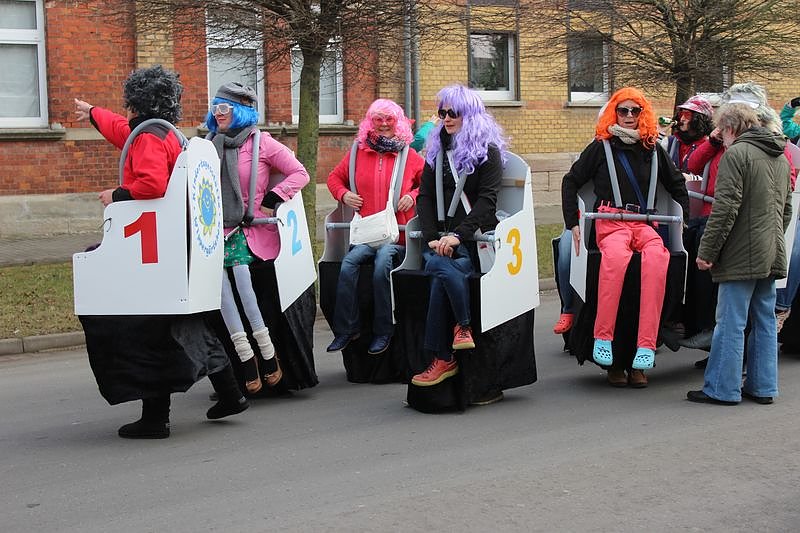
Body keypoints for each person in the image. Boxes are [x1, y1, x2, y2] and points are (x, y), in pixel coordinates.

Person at [74, 65, 249, 439]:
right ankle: (231, 392)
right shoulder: (167, 134)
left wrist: (116, 196)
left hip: (150, 255)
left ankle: (156, 418)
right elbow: (125, 133)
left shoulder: (149, 138)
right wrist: (93, 113)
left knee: (147, 333)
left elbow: (151, 183)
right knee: (188, 327)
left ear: (136, 102)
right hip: (177, 250)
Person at [561, 87, 689, 388]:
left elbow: (677, 185)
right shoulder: (600, 147)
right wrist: (573, 223)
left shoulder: (654, 149)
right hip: (610, 221)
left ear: (643, 114)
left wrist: (683, 220)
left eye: (635, 111)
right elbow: (571, 181)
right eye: (623, 110)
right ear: (613, 113)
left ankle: (645, 348)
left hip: (644, 223)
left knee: (658, 259)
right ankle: (603, 340)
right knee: (615, 261)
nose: (629, 116)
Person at [205, 82, 310, 394]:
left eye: (223, 107)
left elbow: (299, 173)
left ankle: (267, 352)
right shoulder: (208, 145)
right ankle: (246, 357)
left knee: (241, 278)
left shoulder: (262, 144)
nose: (217, 113)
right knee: (220, 287)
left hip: (250, 230)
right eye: (214, 107)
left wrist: (274, 198)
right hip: (216, 232)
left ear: (239, 110)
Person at [687, 103, 792, 405]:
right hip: (770, 250)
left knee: (731, 321)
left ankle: (722, 388)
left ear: (730, 128)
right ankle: (762, 387)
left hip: (740, 253)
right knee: (764, 320)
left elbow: (725, 208)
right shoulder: (780, 157)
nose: (720, 137)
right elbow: (785, 210)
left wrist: (707, 251)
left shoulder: (737, 154)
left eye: (720, 131)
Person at [410, 84, 507, 386]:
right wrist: (430, 237)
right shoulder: (436, 150)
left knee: (439, 271)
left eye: (455, 113)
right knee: (438, 263)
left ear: (470, 115)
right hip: (438, 238)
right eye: (443, 113)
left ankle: (442, 359)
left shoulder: (487, 153)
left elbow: (487, 201)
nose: (447, 118)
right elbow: (424, 197)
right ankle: (462, 326)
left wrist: (457, 237)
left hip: (474, 240)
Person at [326, 99, 425, 355]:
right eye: (378, 119)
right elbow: (334, 178)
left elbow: (428, 186)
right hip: (367, 232)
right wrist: (344, 195)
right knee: (348, 265)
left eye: (389, 120)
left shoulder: (409, 155)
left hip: (397, 235)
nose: (383, 125)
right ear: (370, 122)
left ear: (398, 123)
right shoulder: (358, 152)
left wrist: (413, 195)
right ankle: (348, 329)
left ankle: (384, 331)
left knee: (383, 265)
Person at [665, 95, 714, 171]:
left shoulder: (710, 146)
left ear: (699, 119)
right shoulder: (670, 142)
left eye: (687, 115)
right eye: (681, 114)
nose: (682, 119)